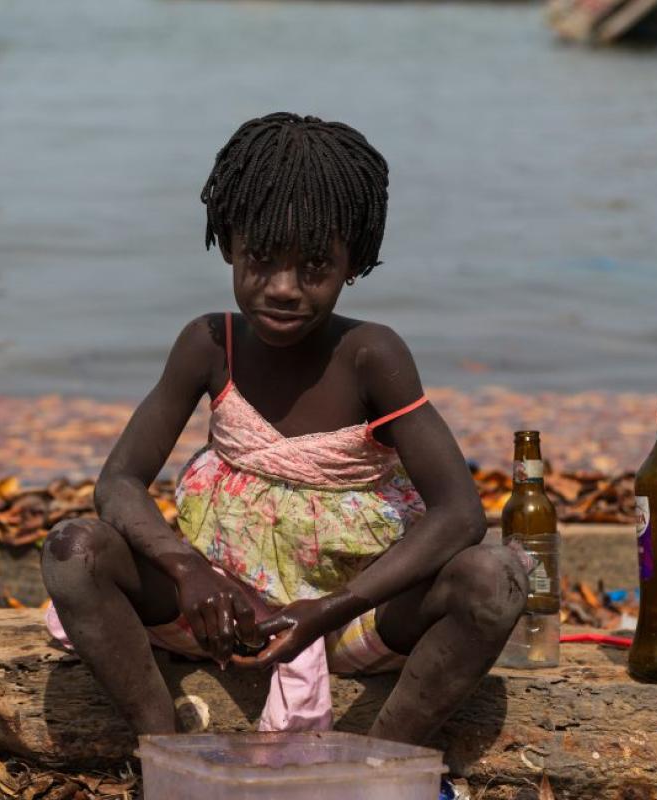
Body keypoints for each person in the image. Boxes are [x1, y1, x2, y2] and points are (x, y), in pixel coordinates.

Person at [41, 112, 530, 749]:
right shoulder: (209, 344)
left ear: (353, 261)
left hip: (349, 620)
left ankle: (382, 760)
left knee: (495, 579)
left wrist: (329, 610)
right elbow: (120, 483)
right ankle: (161, 748)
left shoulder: (370, 356)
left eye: (314, 268)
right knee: (74, 550)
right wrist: (189, 572)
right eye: (261, 262)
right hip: (216, 612)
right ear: (228, 247)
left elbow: (460, 516)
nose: (283, 290)